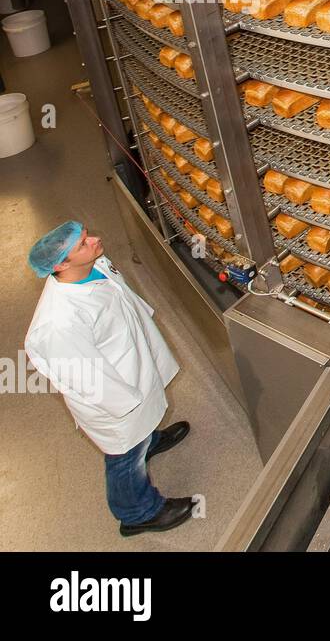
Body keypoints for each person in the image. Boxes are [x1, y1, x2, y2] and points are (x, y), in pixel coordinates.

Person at [24, 221, 196, 537]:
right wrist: (126, 407)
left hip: (131, 365)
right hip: (112, 395)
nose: (95, 239)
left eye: (87, 235)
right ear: (61, 265)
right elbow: (87, 378)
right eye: (83, 244)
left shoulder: (94, 266)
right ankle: (137, 513)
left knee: (141, 427)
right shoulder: (58, 322)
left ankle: (149, 440)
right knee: (124, 455)